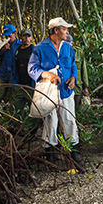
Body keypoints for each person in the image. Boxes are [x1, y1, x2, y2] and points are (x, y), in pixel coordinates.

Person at [28, 17, 81, 164]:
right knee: (50, 121)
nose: (67, 32)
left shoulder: (68, 47)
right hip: (49, 91)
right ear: (56, 30)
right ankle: (50, 155)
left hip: (66, 91)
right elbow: (32, 68)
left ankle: (73, 154)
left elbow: (73, 66)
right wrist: (48, 74)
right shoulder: (40, 48)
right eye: (64, 29)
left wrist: (73, 78)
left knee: (69, 120)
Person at [0, 24, 21, 107]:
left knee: (15, 95)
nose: (8, 38)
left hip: (14, 74)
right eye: (6, 36)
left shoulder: (19, 45)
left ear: (14, 33)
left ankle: (11, 113)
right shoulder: (1, 44)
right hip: (3, 73)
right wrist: (2, 50)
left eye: (9, 35)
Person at [11, 28, 35, 114]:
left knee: (34, 109)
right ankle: (14, 124)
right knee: (15, 109)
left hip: (31, 85)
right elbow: (13, 66)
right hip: (19, 84)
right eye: (24, 36)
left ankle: (31, 126)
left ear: (31, 38)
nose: (27, 39)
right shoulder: (16, 50)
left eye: (28, 36)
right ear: (20, 37)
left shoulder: (34, 50)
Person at [66, 34, 90, 110]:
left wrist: (85, 86)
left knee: (76, 108)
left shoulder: (78, 52)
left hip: (77, 86)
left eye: (67, 42)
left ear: (72, 43)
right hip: (65, 85)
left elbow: (84, 69)